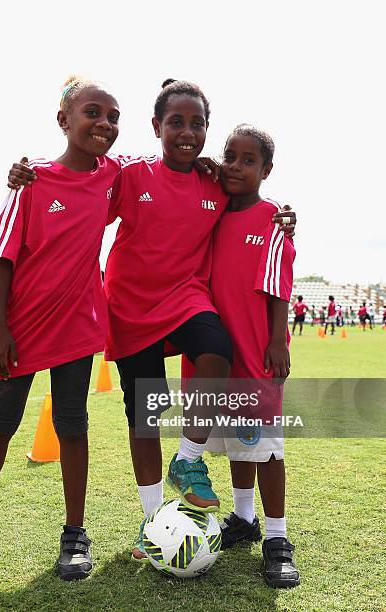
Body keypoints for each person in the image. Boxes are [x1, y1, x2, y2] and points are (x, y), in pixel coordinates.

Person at [6, 78, 296, 558]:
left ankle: (187, 460)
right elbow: (80, 176)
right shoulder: (129, 174)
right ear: (156, 126)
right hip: (131, 307)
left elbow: (253, 200)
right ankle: (153, 521)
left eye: (197, 124)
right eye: (176, 122)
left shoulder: (213, 182)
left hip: (186, 299)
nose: (187, 132)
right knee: (146, 413)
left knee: (216, 349)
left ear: (207, 131)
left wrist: (283, 218)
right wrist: (31, 174)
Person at [0, 75, 126, 584]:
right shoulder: (32, 181)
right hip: (22, 330)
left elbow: (161, 171)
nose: (104, 124)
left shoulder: (112, 177)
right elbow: (3, 258)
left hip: (79, 325)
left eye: (113, 117)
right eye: (93, 113)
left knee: (73, 426)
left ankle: (75, 536)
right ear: (64, 121)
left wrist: (206, 165)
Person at [183, 124, 299, 587]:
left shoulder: (273, 219)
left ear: (266, 170)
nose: (235, 166)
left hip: (256, 355)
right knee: (236, 441)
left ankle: (276, 538)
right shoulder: (212, 211)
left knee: (266, 448)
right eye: (229, 156)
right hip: (215, 355)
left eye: (247, 160)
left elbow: (277, 287)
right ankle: (243, 518)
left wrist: (276, 340)